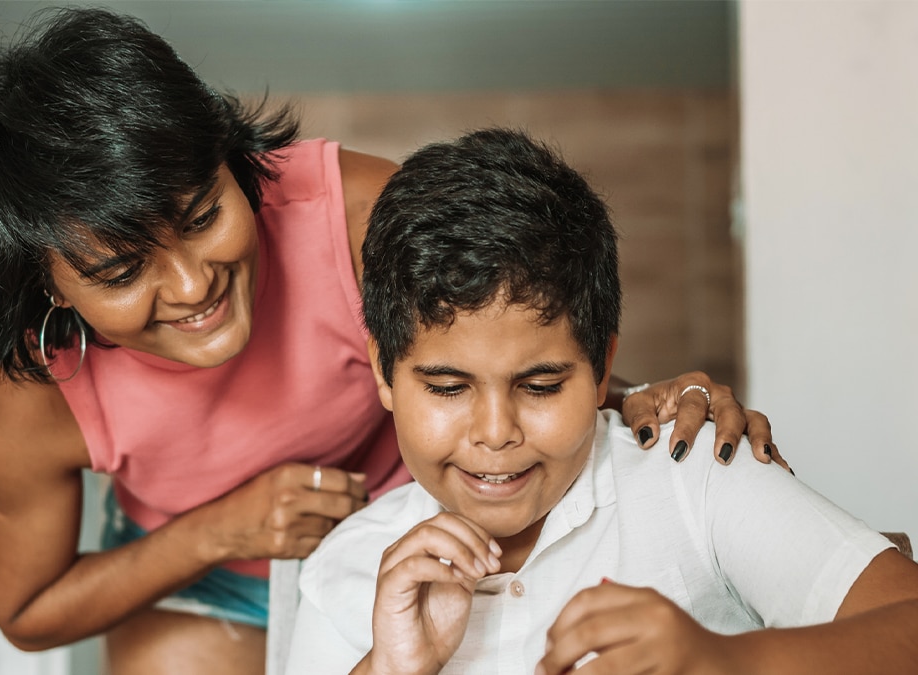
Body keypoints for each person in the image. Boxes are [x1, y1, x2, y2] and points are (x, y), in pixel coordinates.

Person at [0, 8, 783, 674]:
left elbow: (506, 345)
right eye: (120, 273)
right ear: (44, 284)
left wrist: (631, 395)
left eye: (202, 216)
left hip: (405, 526)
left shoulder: (358, 216)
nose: (192, 285)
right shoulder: (35, 395)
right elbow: (28, 607)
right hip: (197, 574)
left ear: (227, 155)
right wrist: (221, 531)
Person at [283, 127, 918, 675]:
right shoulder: (349, 572)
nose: (496, 432)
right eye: (448, 387)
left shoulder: (690, 479)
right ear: (384, 373)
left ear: (604, 365)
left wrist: (724, 662)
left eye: (541, 386)